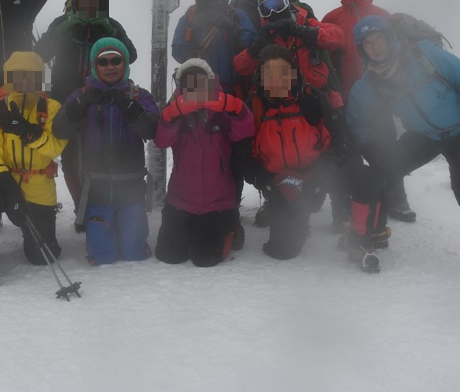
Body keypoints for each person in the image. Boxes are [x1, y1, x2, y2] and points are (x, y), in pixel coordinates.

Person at [347, 16, 460, 275]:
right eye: (368, 42)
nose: (375, 46)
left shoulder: (422, 53)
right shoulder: (370, 82)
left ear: (389, 38)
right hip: (425, 134)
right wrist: (368, 146)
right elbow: (357, 117)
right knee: (380, 171)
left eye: (378, 38)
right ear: (362, 49)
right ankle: (375, 231)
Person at [322, 0, 416, 224]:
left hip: (381, 98)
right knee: (346, 153)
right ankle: (342, 205)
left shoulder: (382, 15)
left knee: (386, 147)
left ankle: (395, 198)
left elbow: (399, 54)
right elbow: (327, 62)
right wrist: (333, 95)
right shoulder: (332, 19)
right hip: (346, 97)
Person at [35, 0, 137, 213]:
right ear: (76, 2)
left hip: (104, 99)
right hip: (65, 97)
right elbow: (39, 54)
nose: (91, 8)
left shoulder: (111, 25)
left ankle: (98, 205)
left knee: (100, 150)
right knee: (70, 155)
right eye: (85, 2)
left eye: (97, 3)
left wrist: (111, 31)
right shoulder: (62, 23)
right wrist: (65, 29)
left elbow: (130, 55)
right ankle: (81, 207)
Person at [53, 37, 159, 265]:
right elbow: (59, 130)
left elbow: (152, 130)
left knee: (134, 253)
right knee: (102, 257)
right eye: (103, 62)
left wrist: (131, 107)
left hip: (130, 187)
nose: (110, 66)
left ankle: (128, 230)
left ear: (125, 63)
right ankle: (112, 233)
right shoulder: (81, 94)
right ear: (94, 65)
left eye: (116, 60)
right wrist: (80, 104)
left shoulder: (139, 95)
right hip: (96, 188)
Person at [238, 45, 346, 261]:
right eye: (270, 74)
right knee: (282, 250)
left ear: (293, 74)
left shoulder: (312, 98)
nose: (276, 80)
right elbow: (242, 155)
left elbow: (339, 140)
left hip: (311, 177)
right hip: (275, 182)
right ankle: (282, 207)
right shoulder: (254, 107)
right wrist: (263, 181)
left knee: (311, 204)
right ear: (261, 77)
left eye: (283, 73)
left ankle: (316, 205)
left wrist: (320, 177)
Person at [0, 52, 68, 282]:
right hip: (5, 182)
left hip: (39, 185)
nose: (25, 81)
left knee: (42, 256)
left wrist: (26, 130)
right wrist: (10, 189)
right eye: (18, 76)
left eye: (32, 75)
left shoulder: (52, 108)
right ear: (8, 78)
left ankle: (33, 231)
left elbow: (56, 148)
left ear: (40, 78)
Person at [153, 59, 255, 266]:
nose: (195, 86)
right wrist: (171, 115)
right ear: (181, 86)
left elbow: (245, 129)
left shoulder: (222, 110)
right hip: (180, 200)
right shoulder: (175, 110)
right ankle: (191, 231)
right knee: (169, 255)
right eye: (188, 82)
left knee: (205, 258)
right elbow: (162, 141)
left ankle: (230, 229)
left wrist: (233, 106)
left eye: (200, 80)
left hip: (217, 201)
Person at [171, 0, 255, 93]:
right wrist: (191, 29)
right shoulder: (189, 18)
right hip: (199, 90)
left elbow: (253, 50)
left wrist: (234, 30)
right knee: (199, 114)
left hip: (233, 89)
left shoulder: (236, 16)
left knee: (234, 112)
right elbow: (178, 54)